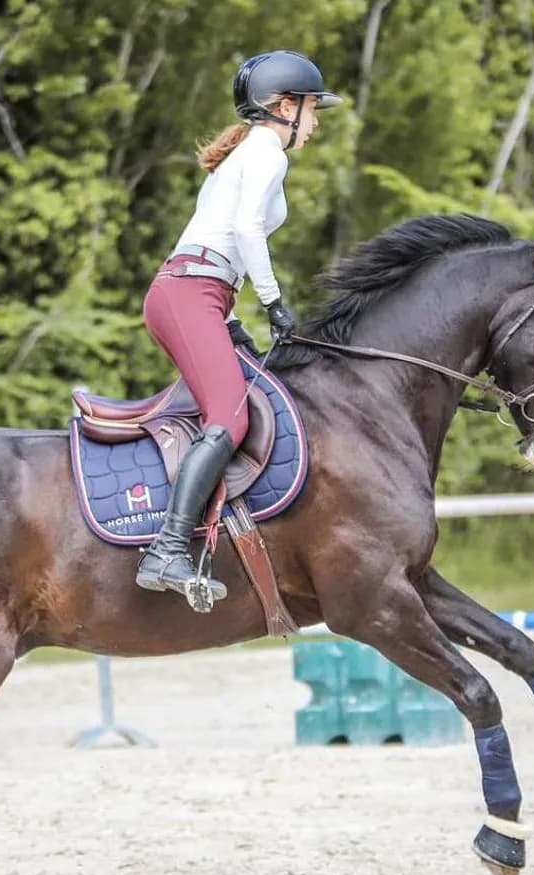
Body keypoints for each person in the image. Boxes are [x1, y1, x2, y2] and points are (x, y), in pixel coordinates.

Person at [135, 50, 341, 607]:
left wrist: (233, 323)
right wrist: (275, 303)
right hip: (191, 293)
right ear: (283, 107)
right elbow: (247, 231)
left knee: (240, 400)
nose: (316, 121)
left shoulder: (248, 153)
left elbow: (217, 238)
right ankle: (169, 548)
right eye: (312, 108)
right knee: (228, 416)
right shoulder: (267, 154)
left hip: (202, 294)